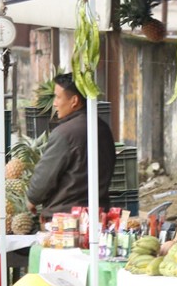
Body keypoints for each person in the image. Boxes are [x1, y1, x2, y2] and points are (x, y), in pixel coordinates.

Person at [26, 73, 117, 221]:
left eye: (58, 97)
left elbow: (45, 176)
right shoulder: (103, 128)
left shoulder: (64, 134)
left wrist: (32, 199)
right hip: (98, 215)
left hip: (66, 219)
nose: (54, 103)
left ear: (74, 101)